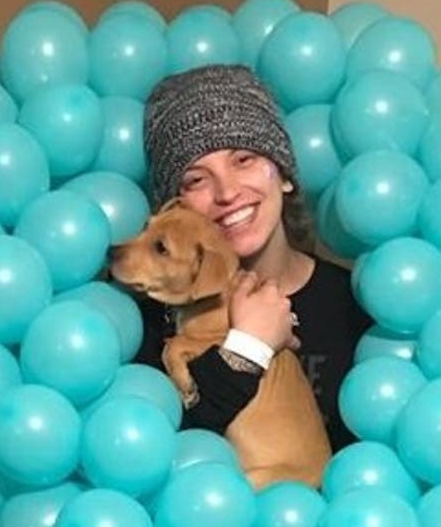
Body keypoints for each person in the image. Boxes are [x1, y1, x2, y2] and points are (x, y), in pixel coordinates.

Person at [134, 64, 372, 454]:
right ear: (174, 210)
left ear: (284, 174)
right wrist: (248, 347)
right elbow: (160, 454)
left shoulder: (355, 305)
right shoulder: (151, 325)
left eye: (244, 159)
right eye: (196, 179)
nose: (227, 192)